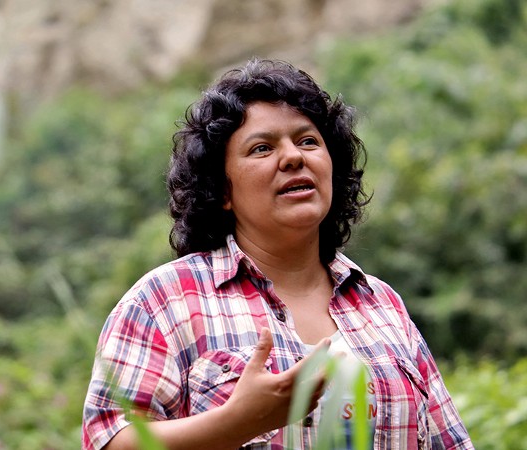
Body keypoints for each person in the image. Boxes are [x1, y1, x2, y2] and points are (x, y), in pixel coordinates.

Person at [82, 58, 472, 449]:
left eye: (307, 141)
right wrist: (234, 423)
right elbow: (110, 440)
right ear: (222, 191)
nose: (293, 157)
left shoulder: (383, 306)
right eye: (262, 148)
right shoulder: (166, 300)